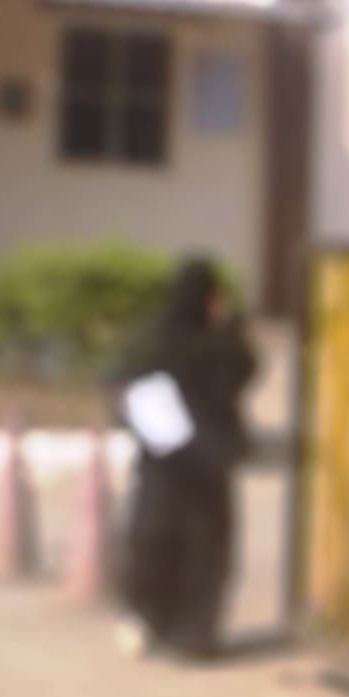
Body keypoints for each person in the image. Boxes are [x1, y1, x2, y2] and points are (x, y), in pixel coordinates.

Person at [109, 256, 258, 663]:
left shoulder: (150, 337)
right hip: (208, 466)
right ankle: (194, 634)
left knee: (155, 545)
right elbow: (244, 371)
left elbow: (118, 383)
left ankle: (152, 621)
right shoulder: (218, 341)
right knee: (204, 552)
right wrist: (232, 328)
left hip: (162, 468)